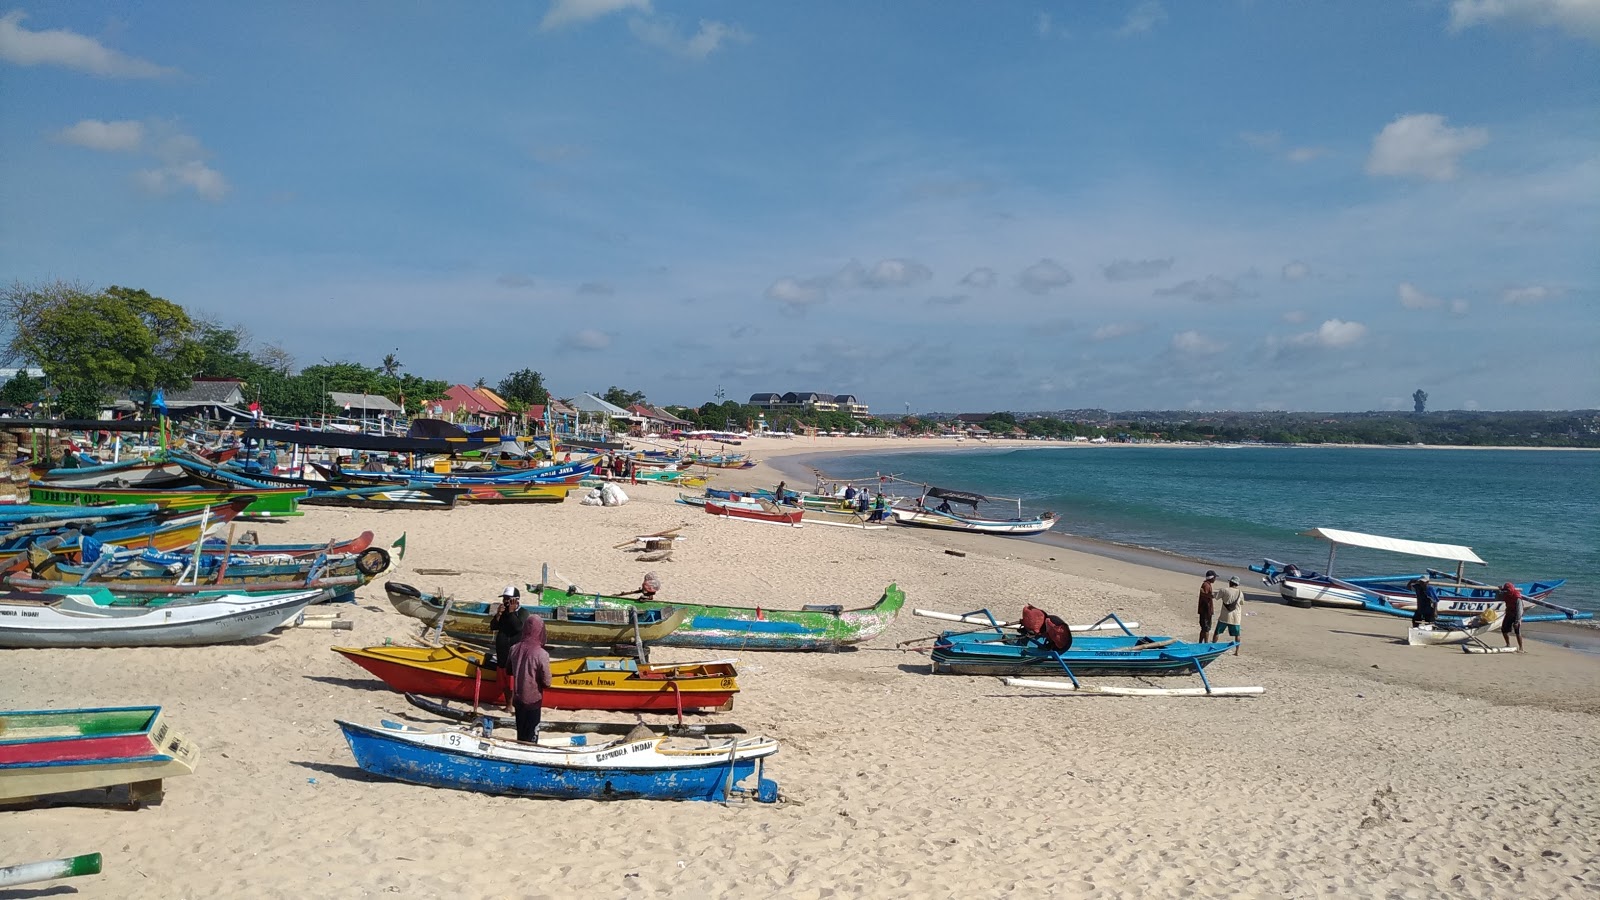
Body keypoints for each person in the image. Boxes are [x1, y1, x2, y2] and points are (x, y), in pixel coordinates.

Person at [505, 613, 552, 742]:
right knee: (532, 737)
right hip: (533, 700)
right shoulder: (542, 654)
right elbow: (547, 682)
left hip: (518, 699)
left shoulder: (514, 649)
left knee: (521, 734)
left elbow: (508, 670)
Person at [487, 585, 530, 678]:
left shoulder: (523, 612)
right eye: (504, 599)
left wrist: (511, 613)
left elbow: (518, 627)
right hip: (502, 654)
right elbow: (493, 626)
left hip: (515, 656)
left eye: (508, 599)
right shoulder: (504, 612)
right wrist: (498, 615)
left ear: (516, 600)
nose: (505, 601)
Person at [1212, 576, 1245, 654]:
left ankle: (1212, 647)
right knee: (1237, 634)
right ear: (1237, 584)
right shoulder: (1240, 593)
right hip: (1236, 617)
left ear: (1230, 582)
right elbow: (1242, 603)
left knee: (1217, 632)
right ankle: (1237, 651)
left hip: (1224, 615)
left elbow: (1215, 597)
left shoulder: (1224, 590)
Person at [1497, 582, 1524, 651]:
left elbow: (1520, 610)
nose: (1507, 592)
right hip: (1509, 613)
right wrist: (1499, 591)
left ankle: (1521, 647)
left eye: (1508, 590)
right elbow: (1497, 598)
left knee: (1517, 631)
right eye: (1506, 590)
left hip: (1516, 614)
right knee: (1504, 630)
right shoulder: (1505, 594)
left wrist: (1517, 621)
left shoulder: (1517, 597)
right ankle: (1508, 644)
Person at [1197, 570, 1217, 644]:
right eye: (1214, 577)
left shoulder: (1206, 584)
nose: (1215, 579)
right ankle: (1205, 643)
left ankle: (1200, 643)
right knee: (1206, 629)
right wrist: (1212, 596)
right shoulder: (1206, 585)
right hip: (1206, 610)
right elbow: (1204, 595)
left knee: (1204, 628)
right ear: (1212, 578)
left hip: (1205, 610)